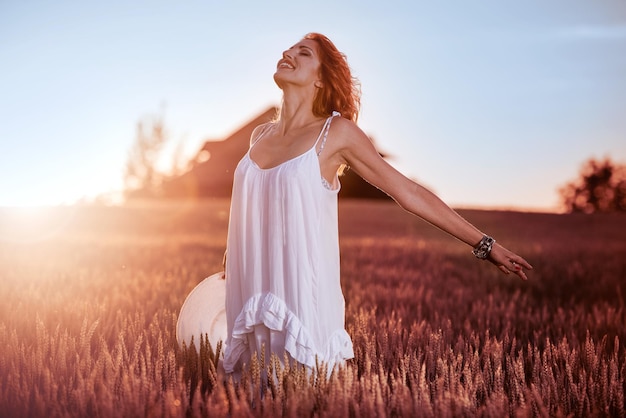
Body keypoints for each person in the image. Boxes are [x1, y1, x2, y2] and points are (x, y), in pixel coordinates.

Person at [222, 33, 532, 375]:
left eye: (303, 52)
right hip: (249, 287)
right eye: (288, 49)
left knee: (303, 394)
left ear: (322, 79)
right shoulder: (259, 136)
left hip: (300, 293)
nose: (288, 53)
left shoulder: (336, 133)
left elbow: (408, 192)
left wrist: (485, 244)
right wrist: (230, 257)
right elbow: (255, 208)